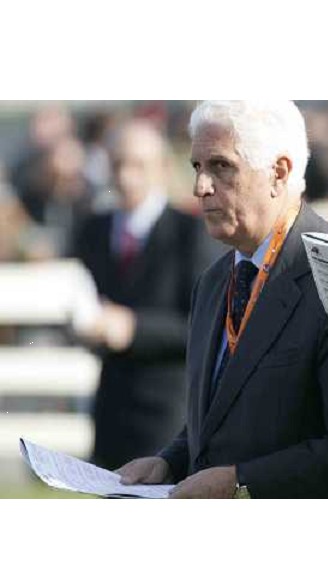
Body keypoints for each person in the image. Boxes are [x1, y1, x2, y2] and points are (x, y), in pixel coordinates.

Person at [116, 100, 328, 498]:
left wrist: (240, 481)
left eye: (221, 166)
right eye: (197, 166)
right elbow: (222, 415)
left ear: (279, 173)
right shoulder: (215, 280)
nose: (200, 186)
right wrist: (170, 461)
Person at [75, 119, 224, 470]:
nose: (126, 176)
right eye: (117, 164)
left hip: (168, 413)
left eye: (138, 165)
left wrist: (134, 327)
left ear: (161, 168)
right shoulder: (92, 230)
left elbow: (205, 325)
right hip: (110, 408)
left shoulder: (192, 233)